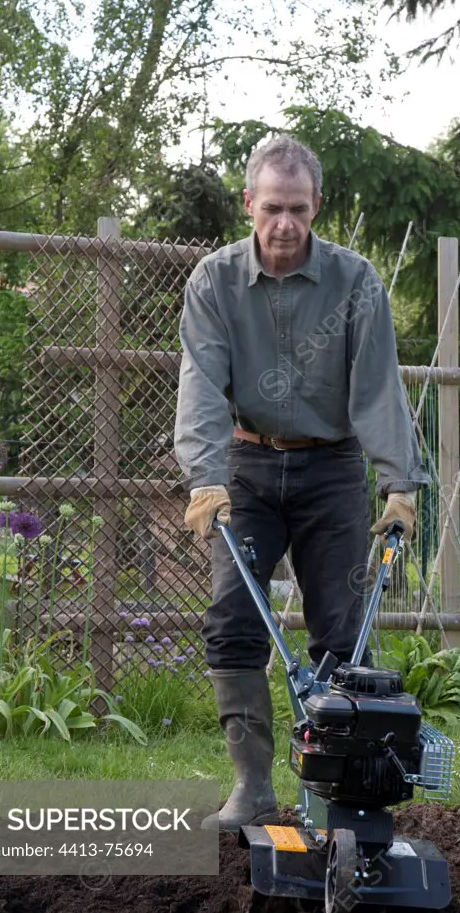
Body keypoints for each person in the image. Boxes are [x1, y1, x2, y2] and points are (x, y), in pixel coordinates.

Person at [174, 134, 429, 831]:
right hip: (246, 471)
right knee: (232, 622)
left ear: (316, 209)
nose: (285, 224)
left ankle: (341, 792)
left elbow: (378, 388)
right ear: (249, 203)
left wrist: (398, 485)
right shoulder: (213, 282)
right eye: (272, 208)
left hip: (333, 467)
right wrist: (204, 479)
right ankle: (253, 788)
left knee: (343, 635)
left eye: (299, 210)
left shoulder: (356, 282)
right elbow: (199, 385)